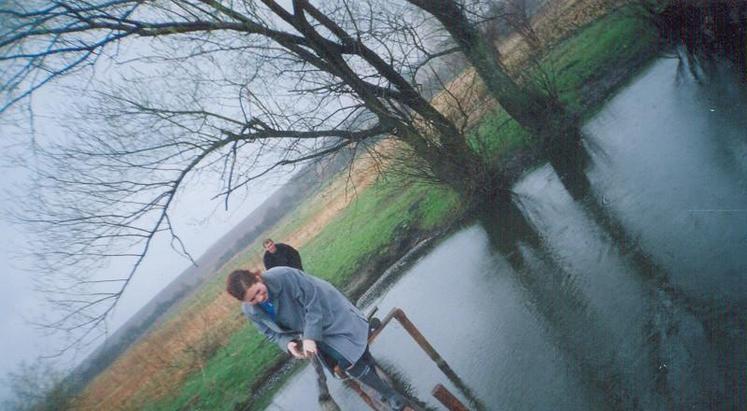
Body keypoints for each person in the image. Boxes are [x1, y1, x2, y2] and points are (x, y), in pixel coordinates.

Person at [226, 267, 406, 410]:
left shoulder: (285, 276)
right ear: (244, 301)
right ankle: (382, 386)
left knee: (348, 357)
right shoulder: (251, 311)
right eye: (252, 299)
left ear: (257, 278)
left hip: (331, 314)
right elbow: (271, 333)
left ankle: (391, 396)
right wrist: (288, 344)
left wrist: (310, 337)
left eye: (258, 291)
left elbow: (314, 302)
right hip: (310, 331)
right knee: (350, 359)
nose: (259, 298)